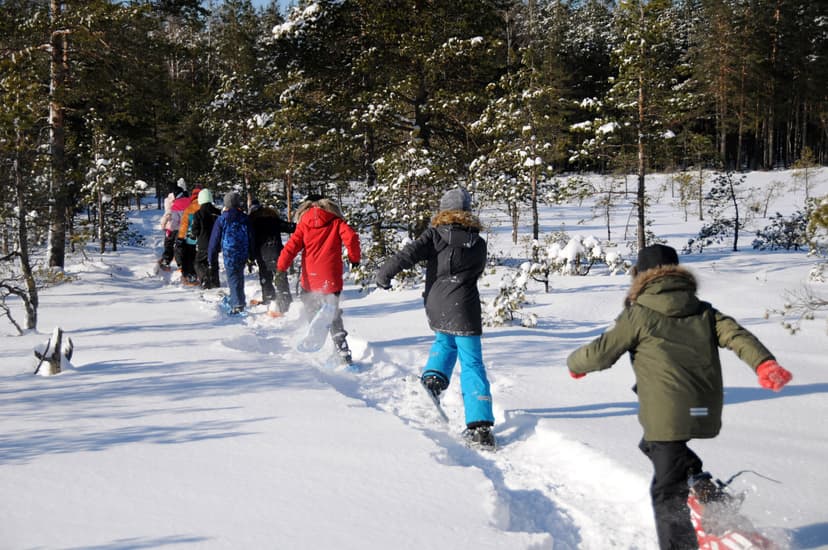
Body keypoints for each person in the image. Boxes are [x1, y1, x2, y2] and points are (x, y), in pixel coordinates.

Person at [566, 244, 793, 550]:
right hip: (705, 406)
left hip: (667, 413)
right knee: (657, 447)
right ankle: (707, 494)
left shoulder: (638, 314)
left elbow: (602, 352)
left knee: (666, 491)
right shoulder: (704, 310)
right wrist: (764, 363)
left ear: (639, 276)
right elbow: (738, 336)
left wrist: (575, 365)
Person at [375, 187, 496, 450]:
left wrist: (384, 274)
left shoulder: (435, 235)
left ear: (443, 210)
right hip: (465, 306)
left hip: (437, 303)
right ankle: (480, 427)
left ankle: (432, 382)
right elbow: (475, 271)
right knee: (472, 363)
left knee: (444, 341)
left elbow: (406, 254)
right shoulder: (479, 242)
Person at [277, 194, 360, 364]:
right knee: (333, 313)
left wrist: (281, 268)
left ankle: (316, 323)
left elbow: (291, 247)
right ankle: (342, 350)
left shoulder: (303, 225)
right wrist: (354, 259)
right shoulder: (336, 222)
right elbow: (351, 237)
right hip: (331, 278)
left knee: (311, 306)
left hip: (311, 278)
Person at [208, 191, 253, 314]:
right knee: (239, 276)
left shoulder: (222, 219)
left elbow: (214, 239)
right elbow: (251, 236)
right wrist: (252, 254)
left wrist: (211, 256)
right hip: (243, 251)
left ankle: (237, 304)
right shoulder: (245, 218)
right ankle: (239, 299)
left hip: (229, 252)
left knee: (233, 277)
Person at [249, 199, 296, 313]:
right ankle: (285, 301)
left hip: (261, 253)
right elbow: (288, 227)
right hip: (276, 251)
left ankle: (268, 299)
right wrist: (302, 226)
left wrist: (250, 256)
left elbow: (250, 240)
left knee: (265, 276)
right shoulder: (273, 219)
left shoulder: (252, 222)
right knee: (280, 276)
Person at [190, 189, 221, 289]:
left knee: (198, 262)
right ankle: (215, 281)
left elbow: (195, 229)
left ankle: (205, 279)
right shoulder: (218, 212)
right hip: (216, 242)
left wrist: (193, 235)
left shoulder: (198, 214)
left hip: (203, 243)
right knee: (213, 261)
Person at [176, 186, 202, 286]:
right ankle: (199, 275)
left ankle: (190, 276)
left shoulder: (188, 209)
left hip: (190, 239)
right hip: (202, 239)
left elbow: (184, 225)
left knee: (189, 258)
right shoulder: (204, 207)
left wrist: (180, 237)